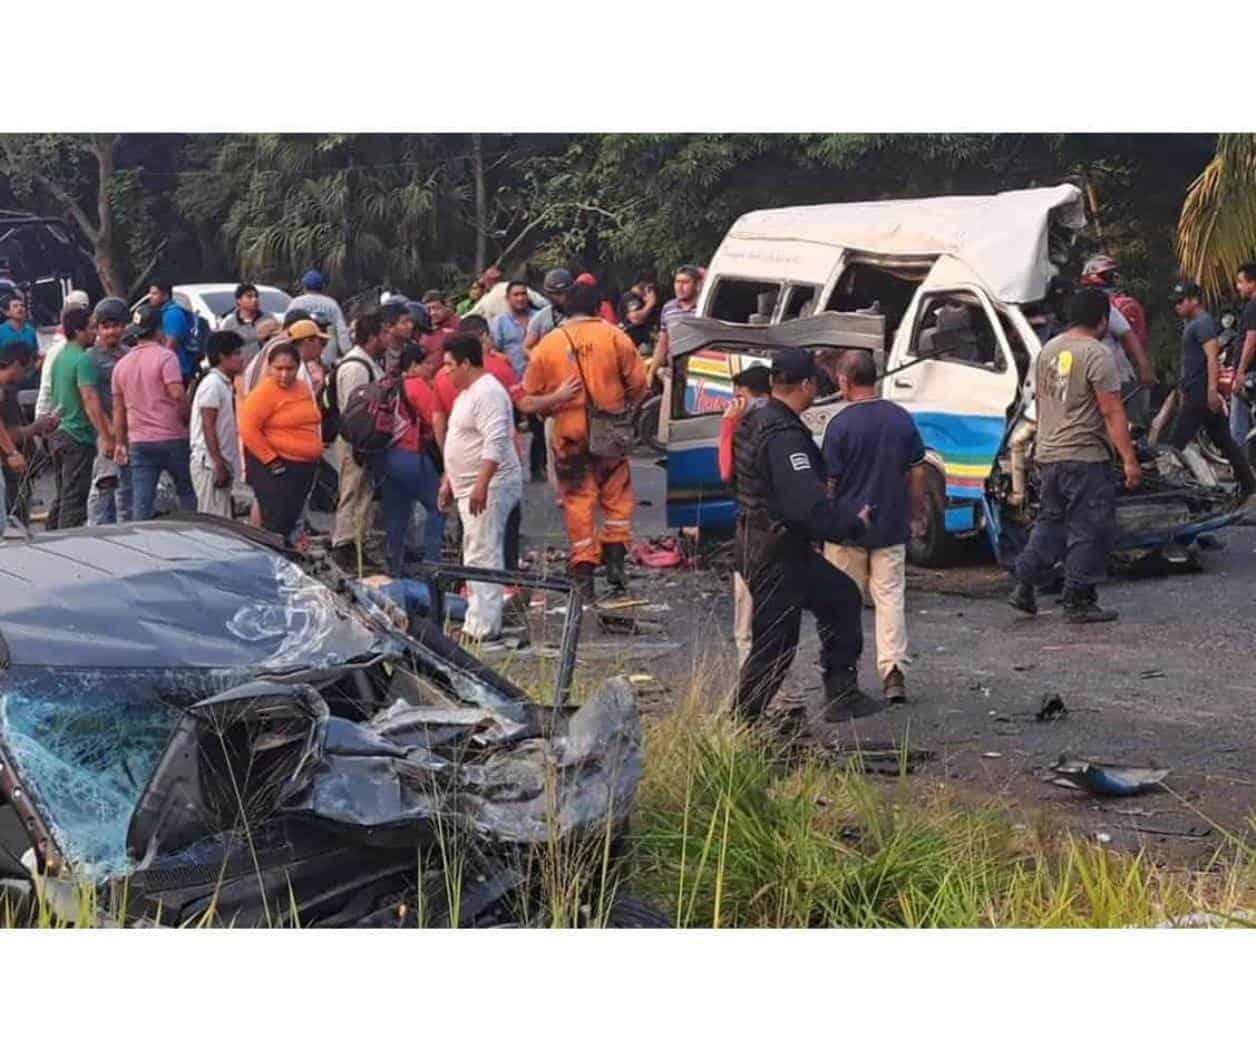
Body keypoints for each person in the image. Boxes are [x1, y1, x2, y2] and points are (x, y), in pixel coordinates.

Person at [731, 347, 877, 728]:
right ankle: (741, 723)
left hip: (768, 543)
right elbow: (805, 506)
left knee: (842, 597)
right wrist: (851, 525)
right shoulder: (783, 435)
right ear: (808, 384)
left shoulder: (755, 419)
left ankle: (842, 694)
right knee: (775, 642)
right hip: (776, 552)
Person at [1009, 288, 1142, 623]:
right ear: (1101, 320)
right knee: (1090, 527)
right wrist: (1129, 459)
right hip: (1084, 457)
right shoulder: (1097, 354)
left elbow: (1041, 403)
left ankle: (1024, 584)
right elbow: (1112, 411)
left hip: (1049, 454)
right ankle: (1078, 600)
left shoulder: (1047, 351)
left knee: (1050, 524)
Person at [519, 283, 649, 604]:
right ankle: (616, 564)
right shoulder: (616, 337)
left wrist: (555, 402)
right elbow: (639, 383)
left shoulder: (548, 345)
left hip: (569, 434)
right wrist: (624, 408)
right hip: (610, 431)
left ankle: (584, 575)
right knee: (617, 497)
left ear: (563, 309)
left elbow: (528, 398)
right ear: (597, 306)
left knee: (578, 502)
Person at [821, 350, 929, 703]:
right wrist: (913, 513)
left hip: (846, 530)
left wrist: (823, 522)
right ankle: (894, 671)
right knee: (890, 598)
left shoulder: (838, 425)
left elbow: (830, 484)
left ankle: (844, 673)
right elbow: (917, 472)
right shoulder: (900, 419)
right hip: (891, 525)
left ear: (843, 381)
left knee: (842, 603)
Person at [436, 333, 522, 642]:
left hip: (490, 484)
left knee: (482, 553)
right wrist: (449, 480)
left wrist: (482, 485)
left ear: (466, 363)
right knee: (475, 551)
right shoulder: (467, 393)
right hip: (469, 483)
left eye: (449, 365)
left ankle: (483, 627)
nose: (446, 372)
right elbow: (462, 439)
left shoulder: (489, 393)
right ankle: (481, 619)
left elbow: (495, 442)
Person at [1166, 281, 1256, 501]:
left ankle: (1172, 492)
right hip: (1196, 392)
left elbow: (1212, 358)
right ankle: (1249, 485)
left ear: (1194, 300)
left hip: (1200, 394)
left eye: (1181, 301)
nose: (1177, 306)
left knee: (1174, 444)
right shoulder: (1194, 323)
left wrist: (1211, 391)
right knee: (1223, 440)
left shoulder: (1203, 323)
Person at [111, 303, 196, 521]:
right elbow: (177, 394)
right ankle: (193, 537)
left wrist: (120, 442)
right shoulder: (166, 357)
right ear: (159, 330)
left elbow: (118, 409)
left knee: (141, 502)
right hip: (172, 436)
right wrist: (187, 420)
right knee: (186, 491)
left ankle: (146, 545)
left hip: (139, 441)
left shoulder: (121, 365)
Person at [240, 340, 324, 541]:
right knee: (275, 523)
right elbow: (248, 429)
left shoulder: (303, 388)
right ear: (269, 367)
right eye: (279, 368)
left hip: (302, 467)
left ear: (298, 367)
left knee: (290, 522)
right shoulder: (263, 393)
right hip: (276, 466)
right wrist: (271, 460)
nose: (284, 374)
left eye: (290, 368)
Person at [717, 365, 771, 668]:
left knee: (746, 616)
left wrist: (728, 427)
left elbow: (726, 472)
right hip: (780, 530)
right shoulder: (784, 421)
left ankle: (749, 681)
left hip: (752, 531)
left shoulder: (746, 427)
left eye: (738, 396)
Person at [381, 343, 447, 574]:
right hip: (410, 455)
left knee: (397, 514)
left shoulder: (391, 384)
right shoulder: (416, 385)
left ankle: (395, 568)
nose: (431, 368)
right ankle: (432, 565)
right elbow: (434, 419)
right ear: (413, 366)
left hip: (388, 455)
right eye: (427, 364)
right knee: (438, 506)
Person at [47, 307, 114, 529]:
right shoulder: (83, 360)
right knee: (75, 500)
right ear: (78, 331)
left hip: (59, 433)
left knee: (62, 494)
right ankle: (69, 544)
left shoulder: (62, 355)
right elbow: (90, 400)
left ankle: (50, 539)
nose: (95, 333)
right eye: (91, 328)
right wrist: (106, 435)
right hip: (77, 435)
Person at [330, 310, 387, 561]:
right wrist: (360, 444)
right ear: (374, 337)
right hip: (356, 441)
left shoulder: (368, 362)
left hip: (364, 442)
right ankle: (344, 543)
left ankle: (358, 542)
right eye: (384, 334)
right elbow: (354, 410)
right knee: (353, 490)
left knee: (363, 491)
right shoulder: (356, 366)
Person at [1079, 255, 1155, 426]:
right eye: (1108, 275)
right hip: (1101, 378)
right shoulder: (1100, 304)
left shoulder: (1106, 306)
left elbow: (1127, 334)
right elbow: (1129, 335)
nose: (1113, 279)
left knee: (1130, 425)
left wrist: (1143, 366)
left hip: (1115, 376)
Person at [85, 297, 134, 525]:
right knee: (105, 484)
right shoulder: (90, 359)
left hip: (132, 431)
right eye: (106, 327)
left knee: (128, 488)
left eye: (116, 326)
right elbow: (91, 400)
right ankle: (96, 533)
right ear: (98, 328)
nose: (112, 331)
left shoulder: (129, 354)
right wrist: (107, 436)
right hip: (106, 432)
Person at [190, 331, 245, 518]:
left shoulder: (224, 384)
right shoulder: (213, 384)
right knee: (213, 522)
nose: (241, 358)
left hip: (218, 462)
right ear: (222, 357)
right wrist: (218, 463)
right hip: (209, 464)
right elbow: (208, 426)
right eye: (237, 354)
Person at [0, 345, 47, 527]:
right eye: (27, 369)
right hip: (7, 467)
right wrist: (13, 453)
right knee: (13, 525)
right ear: (17, 365)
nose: (27, 376)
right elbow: (9, 434)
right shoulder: (3, 393)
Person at [34, 289, 91, 420]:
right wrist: (41, 418)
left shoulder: (91, 347)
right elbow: (47, 387)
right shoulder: (58, 350)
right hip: (65, 424)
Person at [647, 265, 702, 381]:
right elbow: (663, 343)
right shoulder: (668, 308)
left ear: (697, 285)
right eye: (677, 282)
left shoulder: (704, 308)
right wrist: (651, 373)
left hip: (699, 370)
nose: (680, 287)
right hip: (674, 371)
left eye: (685, 282)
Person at [288, 269, 351, 365]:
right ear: (322, 287)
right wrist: (348, 354)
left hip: (302, 354)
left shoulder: (296, 302)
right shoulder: (331, 303)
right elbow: (342, 331)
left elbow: (287, 329)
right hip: (328, 353)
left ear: (304, 287)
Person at [1228, 263, 1256, 447]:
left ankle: (1241, 467)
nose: (1238, 287)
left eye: (1240, 282)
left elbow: (1252, 340)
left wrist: (1240, 372)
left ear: (1252, 283)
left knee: (1238, 425)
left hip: (1250, 374)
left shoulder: (1253, 306)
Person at [147, 281, 197, 383]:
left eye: (154, 294)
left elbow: (170, 346)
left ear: (165, 295)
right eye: (150, 293)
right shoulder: (163, 312)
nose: (150, 297)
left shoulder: (173, 314)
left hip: (179, 370)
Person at [489, 281, 536, 376]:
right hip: (515, 379)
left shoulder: (539, 317)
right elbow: (492, 351)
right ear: (507, 298)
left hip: (542, 375)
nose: (520, 298)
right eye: (516, 295)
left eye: (523, 294)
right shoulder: (499, 322)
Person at [523, 268, 575, 353]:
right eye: (557, 294)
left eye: (566, 292)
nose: (563, 298)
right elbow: (527, 348)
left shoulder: (583, 314)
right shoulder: (540, 319)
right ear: (548, 294)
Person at [220, 283, 268, 365]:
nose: (254, 299)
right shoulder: (230, 324)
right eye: (249, 297)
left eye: (256, 296)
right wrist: (257, 336)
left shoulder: (268, 319)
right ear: (238, 300)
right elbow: (225, 348)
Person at [619, 273, 660, 349]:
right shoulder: (629, 297)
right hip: (635, 342)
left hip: (650, 341)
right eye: (650, 288)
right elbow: (635, 319)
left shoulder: (644, 299)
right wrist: (650, 304)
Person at [380, 299, 416, 380]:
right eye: (404, 322)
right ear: (388, 326)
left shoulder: (413, 348)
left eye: (410, 321)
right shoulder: (380, 356)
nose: (411, 326)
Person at [418, 291, 459, 357]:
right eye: (429, 309)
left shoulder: (457, 325)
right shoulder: (427, 329)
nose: (432, 313)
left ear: (445, 306)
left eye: (436, 308)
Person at [0, 289, 39, 357]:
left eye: (22, 305)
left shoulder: (31, 331)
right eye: (15, 306)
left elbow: (35, 355)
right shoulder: (1, 331)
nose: (20, 308)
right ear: (7, 312)